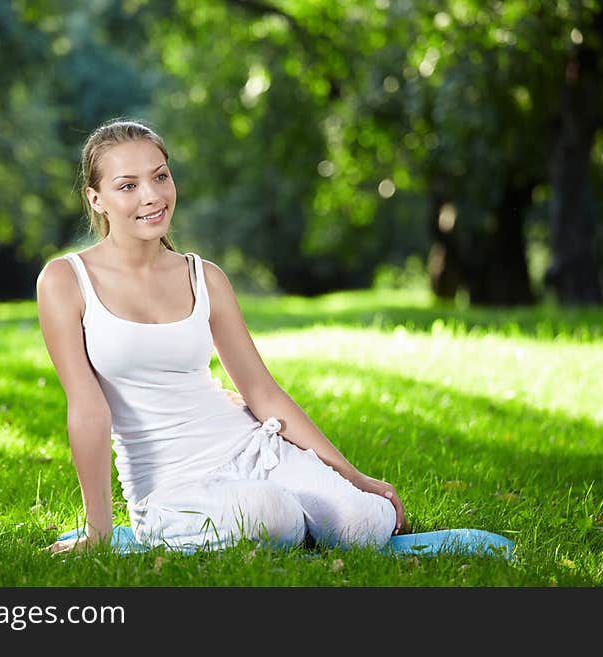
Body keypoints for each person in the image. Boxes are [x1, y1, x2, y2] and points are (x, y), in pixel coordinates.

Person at [36, 118, 407, 554]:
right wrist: (99, 533)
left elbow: (262, 392)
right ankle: (294, 521)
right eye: (128, 186)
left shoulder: (204, 277)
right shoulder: (65, 280)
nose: (152, 196)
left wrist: (352, 477)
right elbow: (88, 411)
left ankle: (309, 518)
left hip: (250, 448)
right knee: (274, 515)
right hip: (171, 486)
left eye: (160, 176)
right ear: (96, 199)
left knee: (367, 523)